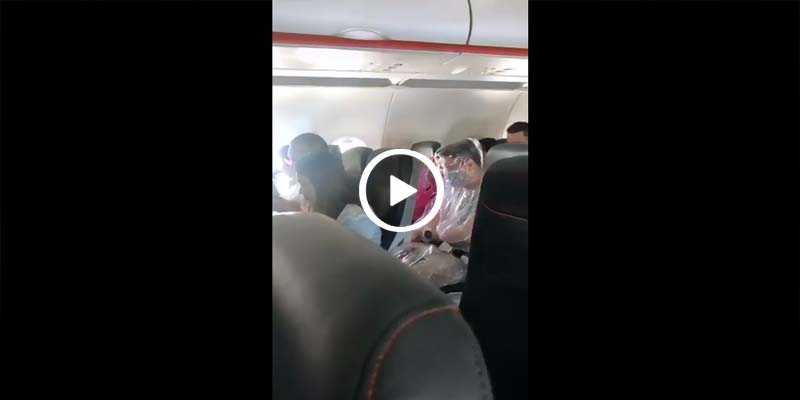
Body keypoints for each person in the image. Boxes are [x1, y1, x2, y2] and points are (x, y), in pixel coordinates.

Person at [295, 150, 382, 246]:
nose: (300, 191)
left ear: (322, 184)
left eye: (303, 184)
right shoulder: (326, 212)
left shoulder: (357, 222)